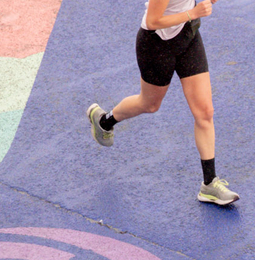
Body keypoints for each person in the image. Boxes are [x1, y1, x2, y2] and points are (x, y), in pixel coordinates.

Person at [87, 0, 239, 206]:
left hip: (187, 36)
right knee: (149, 104)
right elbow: (152, 21)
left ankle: (209, 184)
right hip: (156, 45)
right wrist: (192, 13)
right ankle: (104, 121)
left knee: (205, 112)